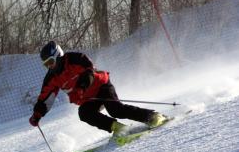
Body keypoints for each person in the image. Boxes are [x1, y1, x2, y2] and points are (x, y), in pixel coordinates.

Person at [29, 41, 167, 138]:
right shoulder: (51, 78)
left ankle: (153, 117)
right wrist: (37, 114)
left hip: (101, 86)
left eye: (51, 62)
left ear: (58, 56)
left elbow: (89, 71)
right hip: (88, 99)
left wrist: (82, 87)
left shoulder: (75, 59)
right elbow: (45, 98)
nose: (50, 67)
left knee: (116, 110)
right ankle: (119, 128)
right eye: (46, 65)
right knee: (84, 113)